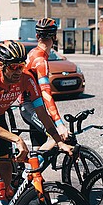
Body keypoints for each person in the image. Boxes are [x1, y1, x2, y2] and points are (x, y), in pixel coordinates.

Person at [0, 40, 74, 205]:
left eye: (21, 65)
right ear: (2, 65)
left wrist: (60, 141)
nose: (19, 71)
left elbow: (42, 113)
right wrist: (17, 139)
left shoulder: (27, 78)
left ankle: (10, 195)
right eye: (13, 67)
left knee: (5, 161)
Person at [20, 18, 70, 150]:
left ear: (37, 36)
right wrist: (59, 123)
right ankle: (31, 171)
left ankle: (32, 168)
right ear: (54, 36)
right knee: (56, 136)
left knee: (37, 149)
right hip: (31, 106)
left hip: (30, 104)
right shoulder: (41, 61)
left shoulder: (32, 52)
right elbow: (46, 94)